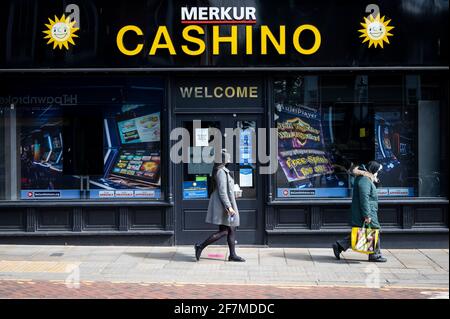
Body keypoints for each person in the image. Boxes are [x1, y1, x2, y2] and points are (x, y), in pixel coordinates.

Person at [194, 149, 245, 262]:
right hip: (224, 206)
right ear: (224, 159)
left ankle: (232, 255)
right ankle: (200, 246)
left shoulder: (222, 170)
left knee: (230, 230)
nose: (230, 159)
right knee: (227, 231)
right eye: (228, 157)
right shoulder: (221, 172)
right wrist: (229, 207)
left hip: (225, 204)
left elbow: (226, 190)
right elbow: (222, 192)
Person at [332, 161, 387, 262]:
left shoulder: (366, 179)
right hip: (367, 211)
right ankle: (375, 255)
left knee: (363, 232)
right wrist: (367, 214)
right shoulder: (365, 180)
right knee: (375, 230)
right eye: (377, 171)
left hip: (369, 210)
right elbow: (364, 198)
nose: (377, 173)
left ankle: (339, 245)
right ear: (373, 170)